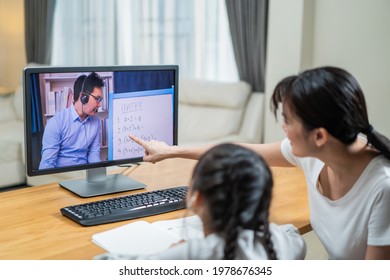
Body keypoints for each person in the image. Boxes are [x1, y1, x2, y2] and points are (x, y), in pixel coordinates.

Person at [129, 66, 390, 260]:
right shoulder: (314, 153)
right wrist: (171, 151)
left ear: (319, 136)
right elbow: (239, 150)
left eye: (288, 120)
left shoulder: (382, 188)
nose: (283, 127)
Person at [96, 143, 306, 260]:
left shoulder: (196, 254)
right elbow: (291, 232)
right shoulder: (287, 244)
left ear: (196, 198)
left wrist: (169, 254)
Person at [39, 72, 104, 169]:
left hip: (84, 175)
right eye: (97, 99)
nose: (99, 104)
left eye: (100, 100)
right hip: (61, 176)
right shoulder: (56, 123)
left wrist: (98, 175)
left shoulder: (96, 122)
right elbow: (47, 164)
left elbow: (93, 155)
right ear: (83, 97)